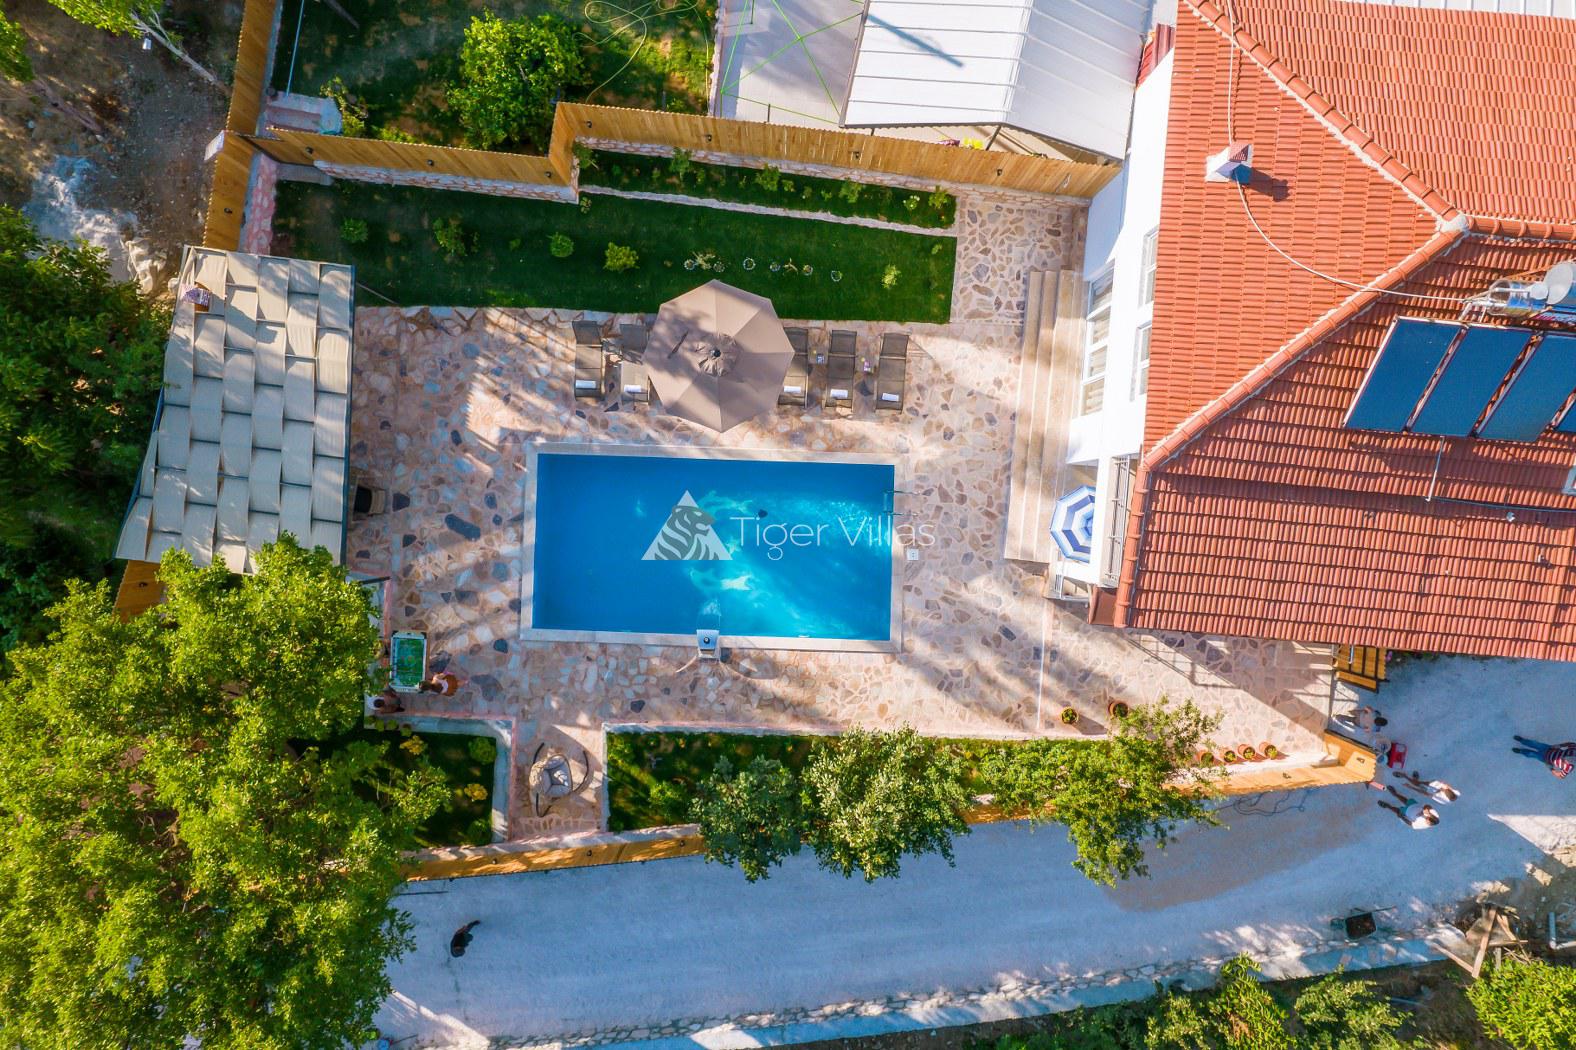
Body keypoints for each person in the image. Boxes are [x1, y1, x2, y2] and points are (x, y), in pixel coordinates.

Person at [1393, 770, 1458, 803]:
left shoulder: (1440, 798)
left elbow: (1424, 793)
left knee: (1417, 784)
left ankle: (1405, 776)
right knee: (1419, 783)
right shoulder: (1451, 790)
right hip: (1433, 784)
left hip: (1429, 789)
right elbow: (1446, 785)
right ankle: (1415, 779)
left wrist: (1411, 787)